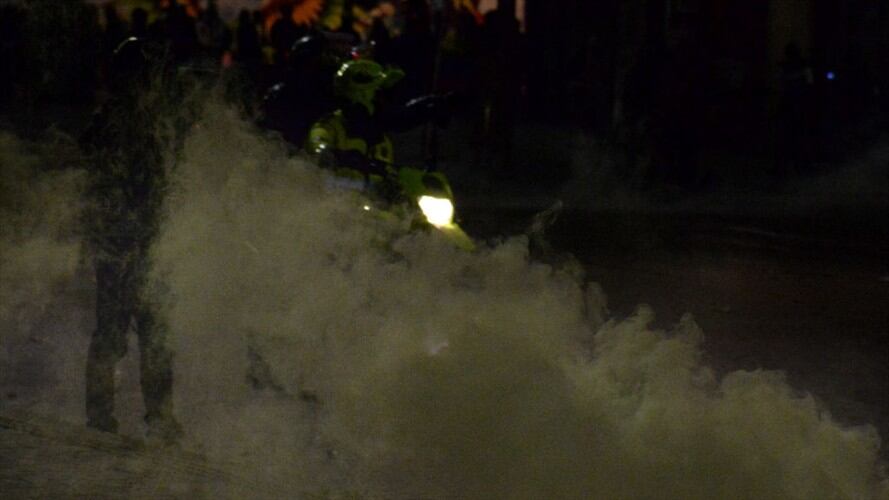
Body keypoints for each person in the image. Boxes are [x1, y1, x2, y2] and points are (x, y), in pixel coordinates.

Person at [81, 37, 184, 445]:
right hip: (127, 242)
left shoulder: (124, 118)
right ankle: (131, 417)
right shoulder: (127, 119)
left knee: (140, 332)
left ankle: (129, 416)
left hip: (136, 241)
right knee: (133, 332)